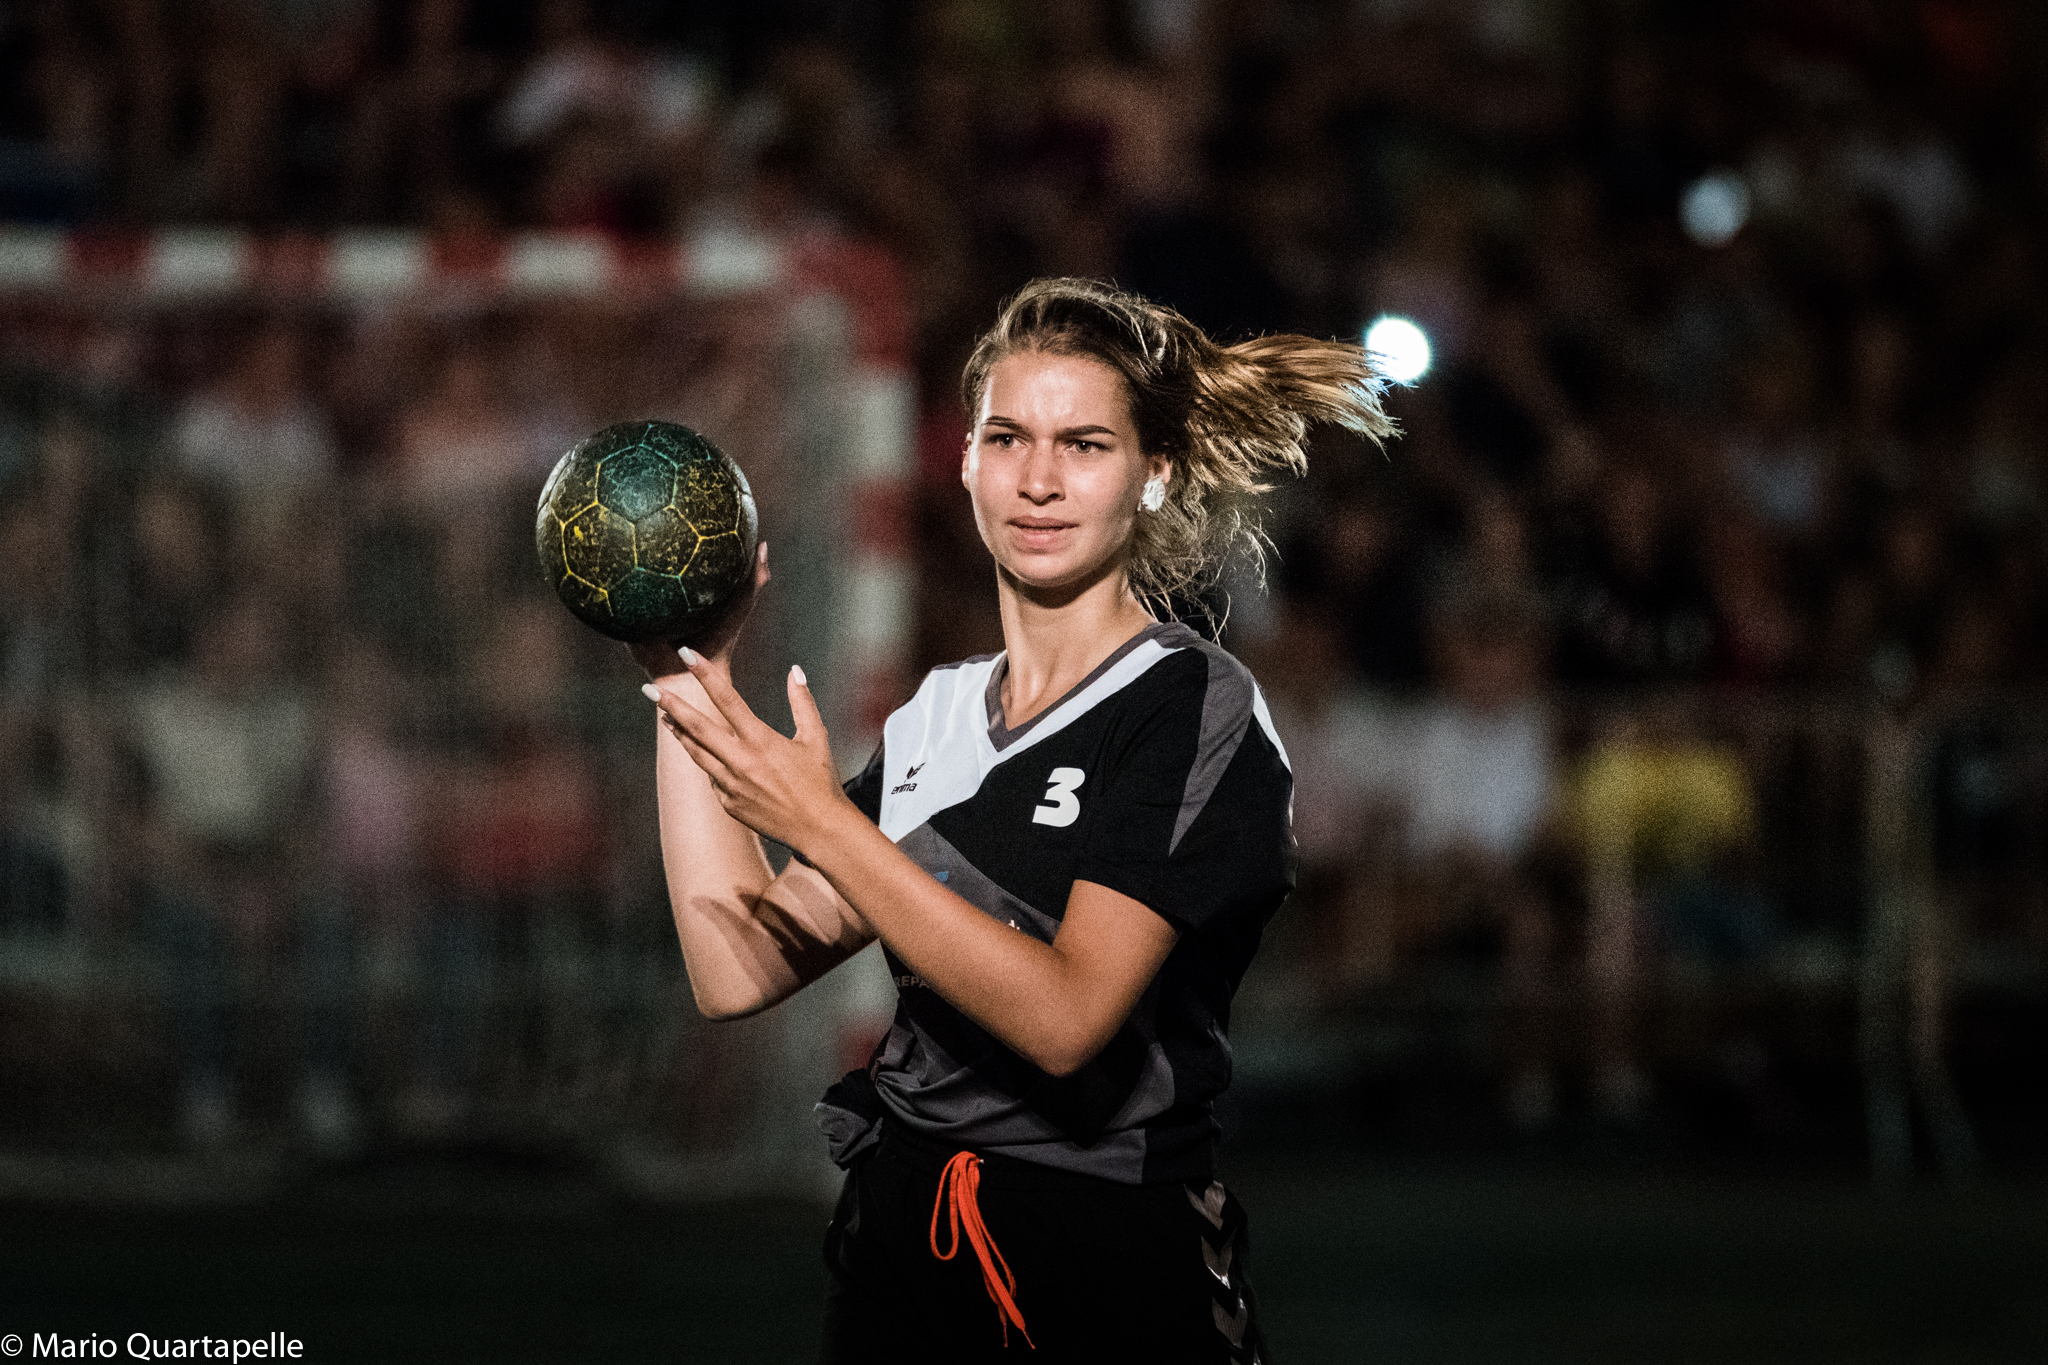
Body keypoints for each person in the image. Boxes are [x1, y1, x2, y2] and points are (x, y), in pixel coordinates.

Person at [636, 277, 1393, 1362]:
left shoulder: (1191, 707)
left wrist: (828, 825)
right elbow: (735, 967)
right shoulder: (939, 713)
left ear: (1153, 474)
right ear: (962, 460)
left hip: (1107, 1260)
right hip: (905, 1244)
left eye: (1083, 444)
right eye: (1006, 437)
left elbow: (1065, 1017)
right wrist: (684, 675)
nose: (1036, 480)